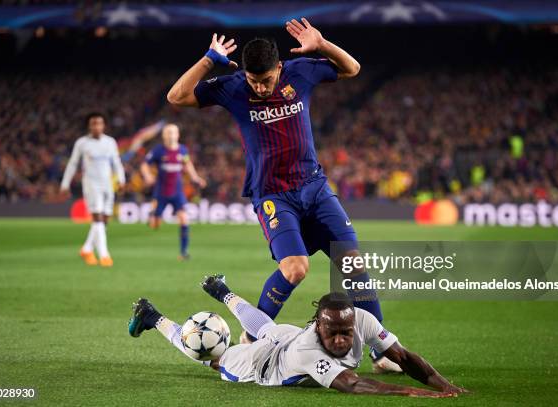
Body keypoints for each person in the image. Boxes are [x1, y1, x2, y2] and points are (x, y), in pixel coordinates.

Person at [166, 18, 395, 371]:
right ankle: (252, 337)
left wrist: (322, 44)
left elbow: (352, 68)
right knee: (295, 269)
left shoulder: (300, 72)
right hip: (274, 195)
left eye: (266, 79)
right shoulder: (234, 87)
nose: (259, 88)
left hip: (315, 187)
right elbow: (177, 96)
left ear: (278, 67)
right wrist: (209, 59)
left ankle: (382, 352)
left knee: (352, 264)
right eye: (254, 81)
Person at [128, 275, 467, 397]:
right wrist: (406, 391)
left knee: (266, 326)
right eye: (331, 333)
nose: (339, 340)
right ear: (319, 326)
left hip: (286, 337)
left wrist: (443, 384)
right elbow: (350, 383)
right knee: (209, 354)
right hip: (260, 366)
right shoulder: (310, 349)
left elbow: (404, 357)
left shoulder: (360, 318)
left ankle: (222, 291)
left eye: (344, 332)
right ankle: (152, 316)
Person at [60, 112, 125, 267]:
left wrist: (122, 179)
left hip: (107, 184)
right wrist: (65, 184)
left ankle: (87, 248)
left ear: (104, 125)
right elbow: (73, 164)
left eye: (99, 123)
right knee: (97, 219)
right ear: (89, 126)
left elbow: (116, 162)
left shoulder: (110, 142)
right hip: (91, 184)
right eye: (93, 124)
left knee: (104, 220)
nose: (96, 126)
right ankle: (104, 255)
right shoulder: (82, 143)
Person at [140, 123, 206, 259]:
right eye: (168, 133)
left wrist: (195, 178)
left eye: (173, 132)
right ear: (164, 135)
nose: (171, 135)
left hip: (177, 192)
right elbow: (145, 164)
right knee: (155, 225)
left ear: (178, 135)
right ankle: (153, 214)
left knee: (184, 219)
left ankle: (183, 252)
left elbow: (187, 164)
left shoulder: (182, 150)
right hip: (161, 192)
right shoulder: (158, 150)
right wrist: (147, 176)